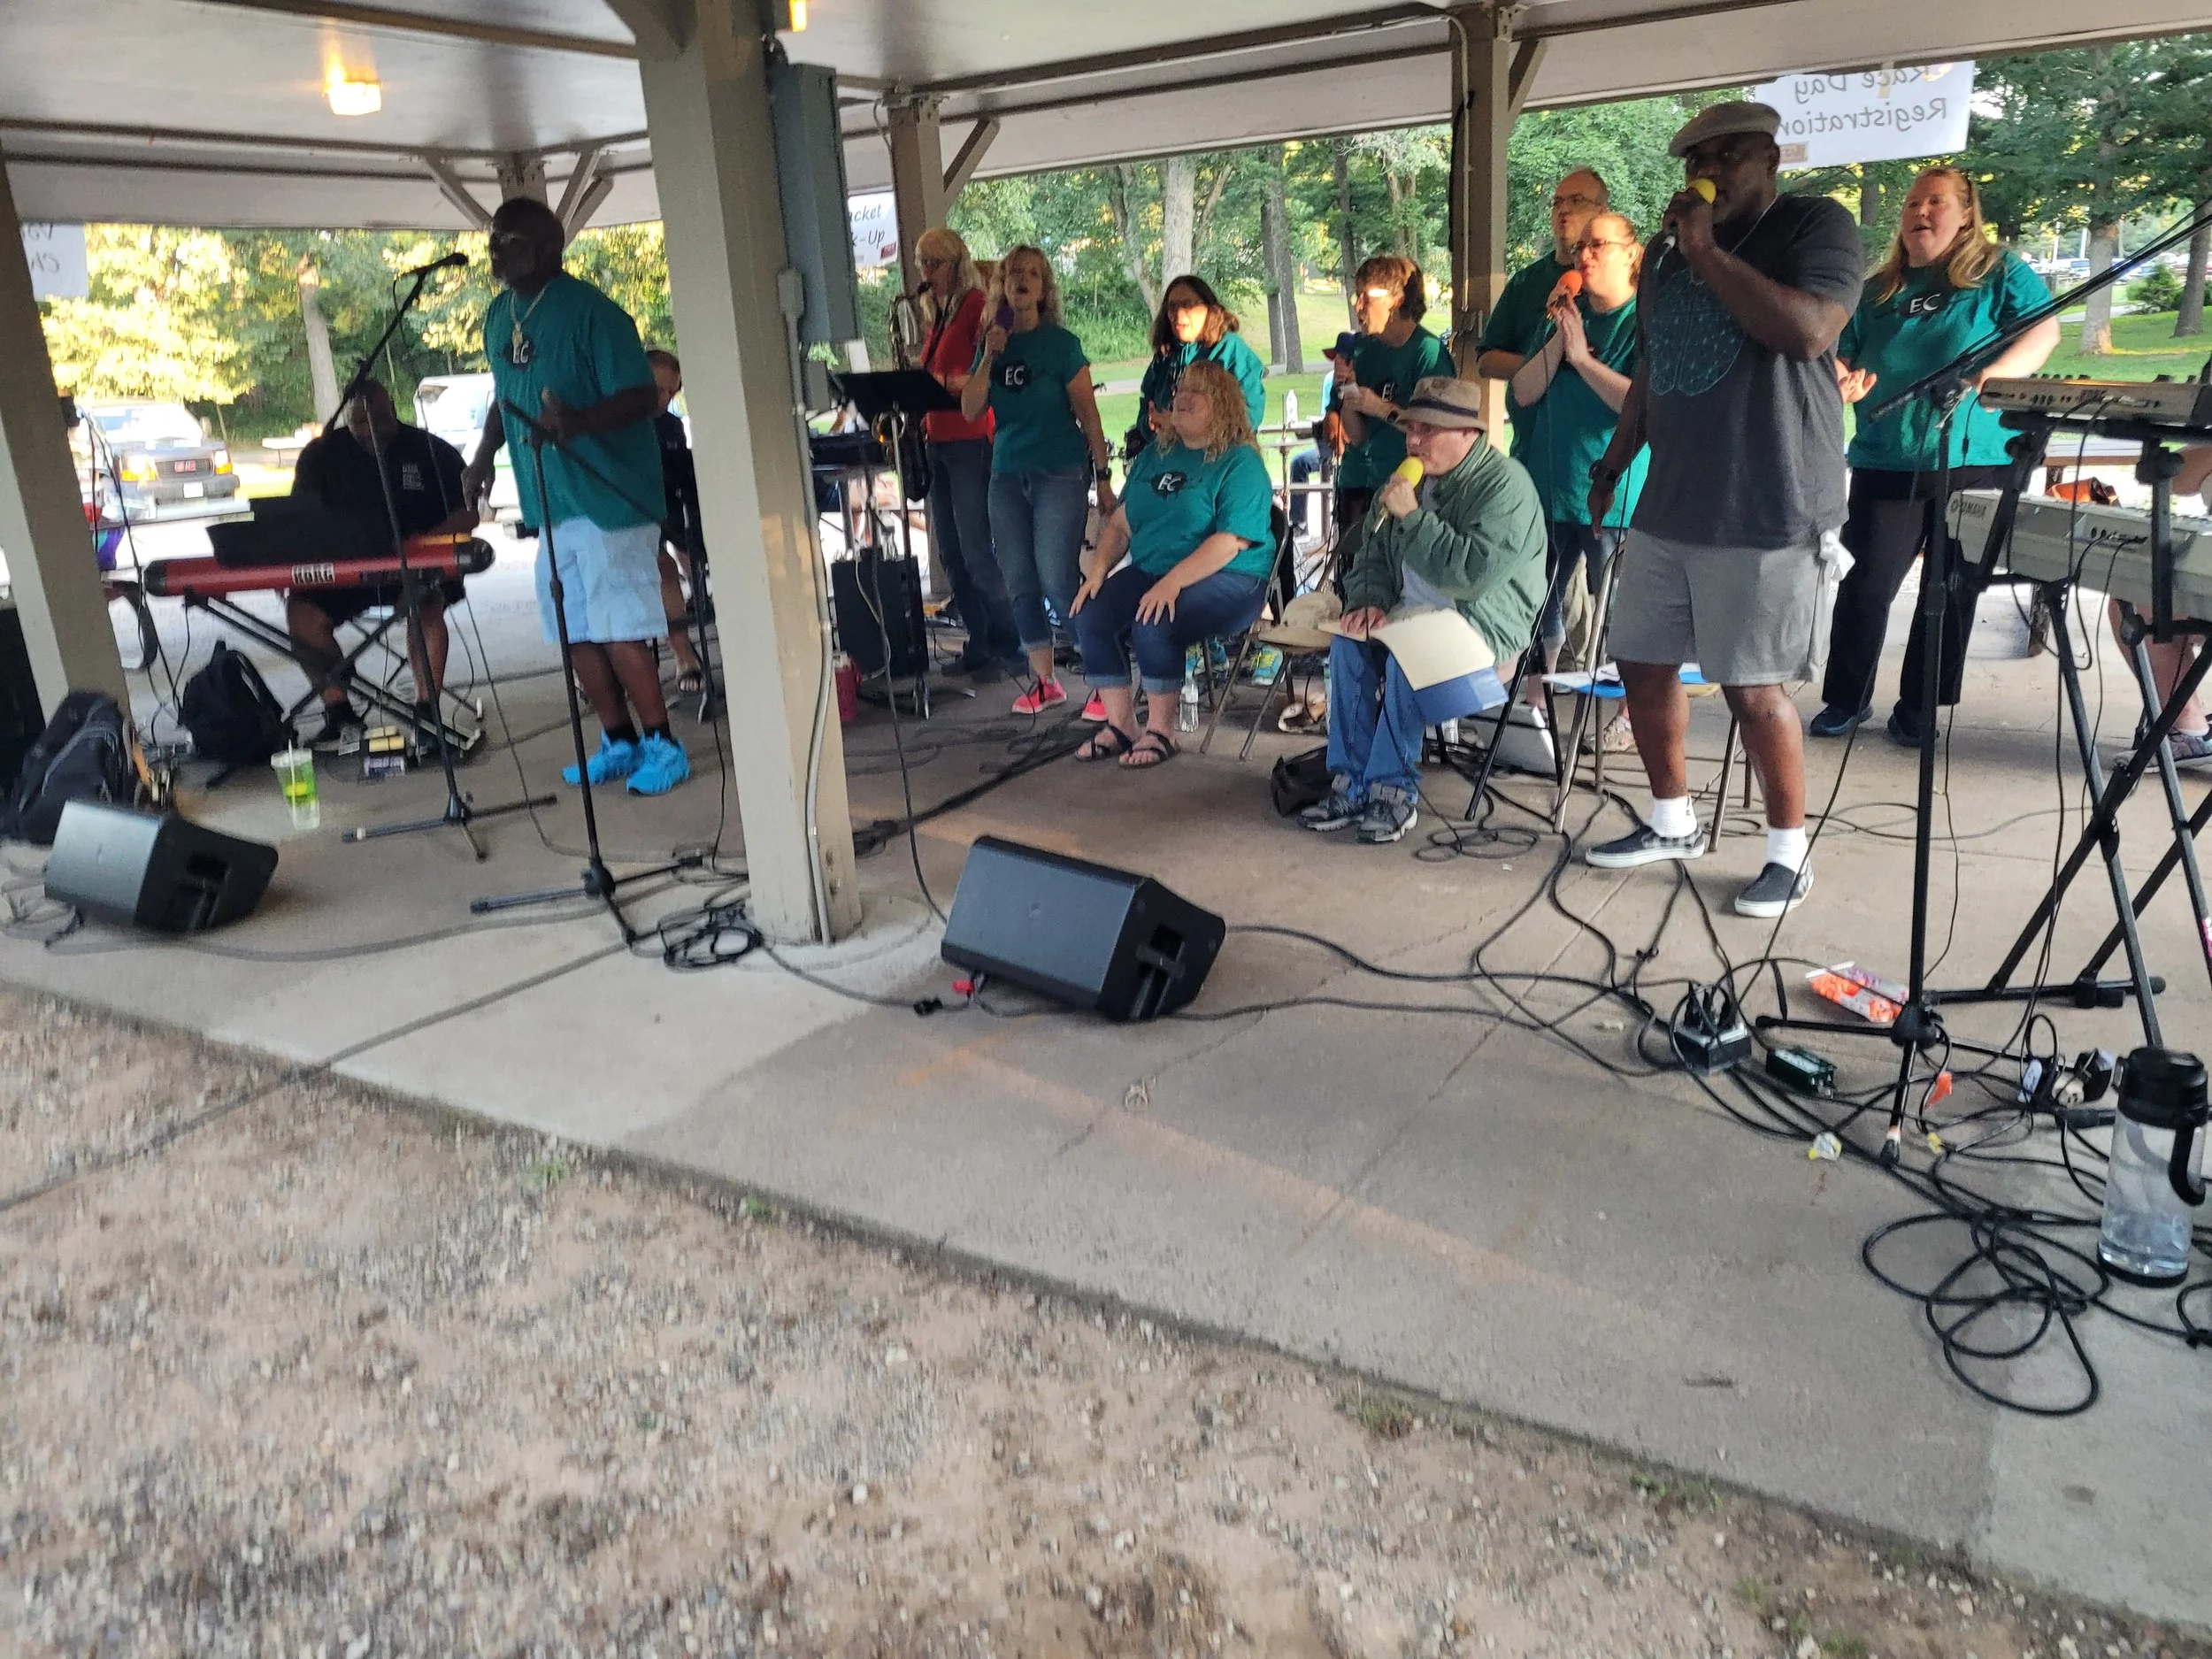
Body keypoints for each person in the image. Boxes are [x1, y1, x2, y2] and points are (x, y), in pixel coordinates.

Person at [1584, 101, 1865, 918]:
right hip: (1672, 501)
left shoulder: (1814, 226)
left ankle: (1788, 853)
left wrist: (1706, 250)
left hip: (1770, 500)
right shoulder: (1667, 257)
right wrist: (1614, 459)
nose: (1708, 170)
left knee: (1752, 683)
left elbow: (1808, 332)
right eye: (1697, 158)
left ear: (1771, 158)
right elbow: (1653, 371)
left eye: (1729, 154)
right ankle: (1672, 820)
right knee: (1639, 658)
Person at [1816, 166, 2062, 742]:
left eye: (1935, 202)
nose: (1920, 211)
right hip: (1887, 456)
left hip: (1975, 459)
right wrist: (1842, 377)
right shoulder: (1879, 289)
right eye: (1912, 202)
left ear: (1966, 214)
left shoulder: (2000, 273)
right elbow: (1837, 351)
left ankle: (1919, 707)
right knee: (1866, 585)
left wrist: (1987, 380)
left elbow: (2043, 333)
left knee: (1949, 590)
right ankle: (1846, 698)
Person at [461, 196, 687, 796]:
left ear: (547, 249)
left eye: (509, 242)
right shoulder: (497, 314)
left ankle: (664, 743)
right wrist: (484, 455)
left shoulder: (595, 313)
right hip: (550, 502)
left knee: (619, 627)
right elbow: (504, 392)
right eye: (494, 240)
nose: (495, 252)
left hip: (610, 500)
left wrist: (580, 423)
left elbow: (640, 396)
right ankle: (619, 739)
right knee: (573, 628)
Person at [1300, 378, 1548, 844]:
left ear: (1468, 434)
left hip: (1481, 638)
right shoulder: (1407, 478)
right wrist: (1369, 600)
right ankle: (1351, 783)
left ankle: (1394, 793)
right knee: (1348, 645)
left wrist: (1413, 518)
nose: (1414, 441)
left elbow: (1469, 574)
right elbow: (1371, 554)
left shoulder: (1505, 487)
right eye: (1411, 429)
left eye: (1429, 431)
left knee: (1404, 657)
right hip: (1408, 621)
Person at [1067, 360, 1276, 770]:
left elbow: (1230, 541)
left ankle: (1162, 730)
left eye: (1198, 391)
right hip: (1155, 570)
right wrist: (1097, 571)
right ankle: (1122, 723)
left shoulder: (1240, 462)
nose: (1183, 395)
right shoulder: (1156, 455)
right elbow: (1121, 523)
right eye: (1182, 387)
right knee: (1091, 613)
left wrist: (1174, 582)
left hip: (1232, 577)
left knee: (1154, 618)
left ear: (1223, 404)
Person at [959, 243, 1117, 715]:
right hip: (1007, 473)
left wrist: (1104, 477)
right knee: (1018, 580)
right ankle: (1045, 682)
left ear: (1044, 289)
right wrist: (989, 356)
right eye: (1013, 275)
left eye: (1032, 274)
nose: (1022, 281)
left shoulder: (1061, 345)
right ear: (1003, 286)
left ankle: (1105, 680)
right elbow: (970, 410)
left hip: (1059, 471)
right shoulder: (993, 341)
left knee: (1056, 578)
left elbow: (1089, 416)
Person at [1508, 210, 1648, 722]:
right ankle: (1535, 700)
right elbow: (1522, 392)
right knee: (1537, 597)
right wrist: (1560, 339)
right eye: (1580, 247)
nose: (1583, 255)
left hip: (1615, 493)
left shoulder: (1643, 320)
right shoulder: (1564, 316)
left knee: (1617, 610)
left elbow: (1638, 403)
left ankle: (1631, 715)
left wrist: (1585, 360)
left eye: (1598, 246)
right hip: (1549, 488)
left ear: (1631, 254)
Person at [286, 379, 476, 753]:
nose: (371, 430)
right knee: (301, 614)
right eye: (360, 421)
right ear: (347, 416)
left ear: (394, 409)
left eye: (380, 418)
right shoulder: (321, 455)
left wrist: (419, 543)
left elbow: (468, 516)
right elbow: (297, 519)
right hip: (344, 571)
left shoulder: (431, 451)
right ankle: (339, 712)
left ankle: (426, 714)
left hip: (416, 566)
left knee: (425, 605)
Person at [914, 227, 1025, 683]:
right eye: (921, 263)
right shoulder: (937, 313)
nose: (925, 273)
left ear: (955, 264)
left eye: (933, 264)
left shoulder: (977, 307)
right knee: (952, 554)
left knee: (978, 550)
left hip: (969, 438)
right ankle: (979, 641)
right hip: (937, 439)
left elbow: (982, 372)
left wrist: (941, 381)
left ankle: (1009, 644)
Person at [1330, 256, 1452, 581]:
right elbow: (1356, 436)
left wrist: (1381, 407)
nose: (1357, 305)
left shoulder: (1427, 352)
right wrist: (1349, 394)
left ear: (1396, 301)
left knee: (1398, 582)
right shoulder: (1364, 350)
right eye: (1356, 295)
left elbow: (1438, 432)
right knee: (1355, 581)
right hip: (1359, 481)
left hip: (1407, 484)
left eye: (1366, 297)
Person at [1477, 167, 1612, 456]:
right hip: (1530, 449)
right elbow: (1487, 361)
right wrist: (1547, 365)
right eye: (1557, 202)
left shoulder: (1615, 286)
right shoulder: (1527, 282)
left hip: (1592, 456)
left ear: (1602, 211)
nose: (1564, 209)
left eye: (1577, 201)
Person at [1135, 274, 1268, 441]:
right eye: (1172, 307)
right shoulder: (1165, 357)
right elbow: (1144, 414)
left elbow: (1248, 418)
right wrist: (1151, 423)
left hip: (1220, 459)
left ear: (1209, 308)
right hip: (1167, 459)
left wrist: (1181, 425)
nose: (1178, 314)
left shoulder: (1231, 351)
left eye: (1187, 305)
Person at [645, 349, 706, 696]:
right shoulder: (621, 423)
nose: (666, 399)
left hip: (668, 508)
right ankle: (683, 655)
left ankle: (698, 589)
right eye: (658, 390)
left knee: (686, 549)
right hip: (630, 515)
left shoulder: (670, 425)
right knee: (663, 569)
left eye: (672, 392)